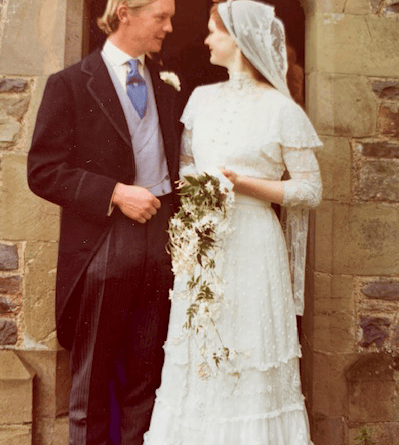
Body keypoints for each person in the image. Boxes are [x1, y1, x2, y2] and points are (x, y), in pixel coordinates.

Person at [144, 1, 322, 443]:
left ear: (240, 40)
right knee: (200, 350)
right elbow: (183, 169)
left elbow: (309, 190)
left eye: (213, 31)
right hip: (205, 246)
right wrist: (201, 191)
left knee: (249, 349)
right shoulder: (200, 100)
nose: (206, 39)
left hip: (255, 246)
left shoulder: (282, 110)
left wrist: (244, 185)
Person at [27, 1, 180, 444]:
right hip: (103, 242)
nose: (170, 27)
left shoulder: (168, 89)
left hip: (162, 242)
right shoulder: (71, 84)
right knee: (92, 383)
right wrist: (114, 193)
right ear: (125, 13)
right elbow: (43, 171)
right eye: (162, 17)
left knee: (146, 375)